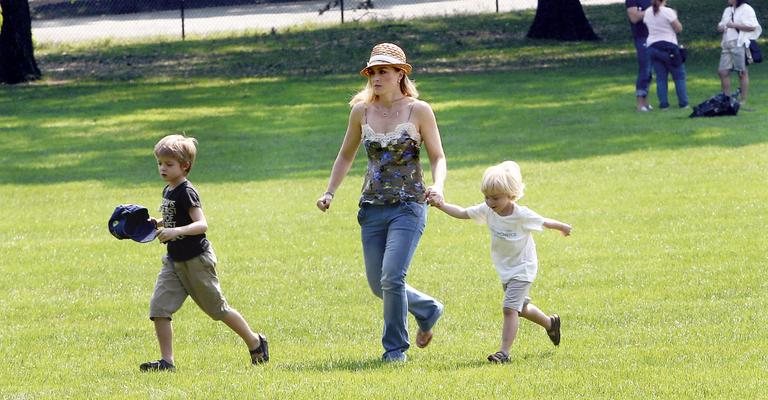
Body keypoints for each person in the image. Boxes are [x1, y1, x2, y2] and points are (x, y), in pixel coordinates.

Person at [316, 43, 446, 363]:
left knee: (392, 277)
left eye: (383, 71)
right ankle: (427, 309)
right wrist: (330, 191)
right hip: (372, 207)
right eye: (373, 72)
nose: (376, 77)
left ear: (400, 74)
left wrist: (438, 185)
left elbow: (438, 156)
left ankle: (394, 350)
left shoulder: (419, 110)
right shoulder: (361, 111)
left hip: (409, 205)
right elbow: (345, 155)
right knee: (379, 284)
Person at [140, 134, 269, 371]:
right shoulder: (168, 190)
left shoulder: (186, 191)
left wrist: (175, 230)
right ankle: (167, 362)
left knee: (217, 310)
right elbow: (173, 219)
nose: (162, 168)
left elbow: (201, 224)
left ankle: (255, 341)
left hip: (196, 261)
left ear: (185, 166)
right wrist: (158, 224)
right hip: (173, 261)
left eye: (169, 164)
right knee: (159, 308)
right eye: (160, 163)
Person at [432, 161, 571, 364]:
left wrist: (562, 227)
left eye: (495, 198)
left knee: (509, 309)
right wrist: (441, 205)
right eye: (486, 197)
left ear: (511, 194)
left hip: (523, 268)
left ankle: (503, 353)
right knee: (520, 308)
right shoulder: (488, 210)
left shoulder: (521, 215)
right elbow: (463, 213)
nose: (489, 202)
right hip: (506, 268)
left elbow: (543, 221)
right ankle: (550, 323)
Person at [644, 0, 688, 110]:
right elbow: (678, 28)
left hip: (653, 46)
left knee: (661, 78)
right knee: (679, 76)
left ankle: (664, 104)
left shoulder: (648, 11)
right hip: (669, 47)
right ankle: (683, 103)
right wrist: (675, 15)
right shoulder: (667, 11)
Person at [717, 0, 762, 107]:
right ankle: (726, 98)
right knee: (722, 72)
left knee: (742, 72)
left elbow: (752, 27)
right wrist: (721, 27)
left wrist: (734, 25)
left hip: (739, 43)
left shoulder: (747, 8)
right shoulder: (727, 10)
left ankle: (743, 100)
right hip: (726, 44)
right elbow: (721, 25)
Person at [626, 0, 653, 112]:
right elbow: (634, 17)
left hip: (656, 35)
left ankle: (646, 102)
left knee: (651, 71)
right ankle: (640, 103)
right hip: (642, 37)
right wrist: (654, 10)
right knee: (645, 69)